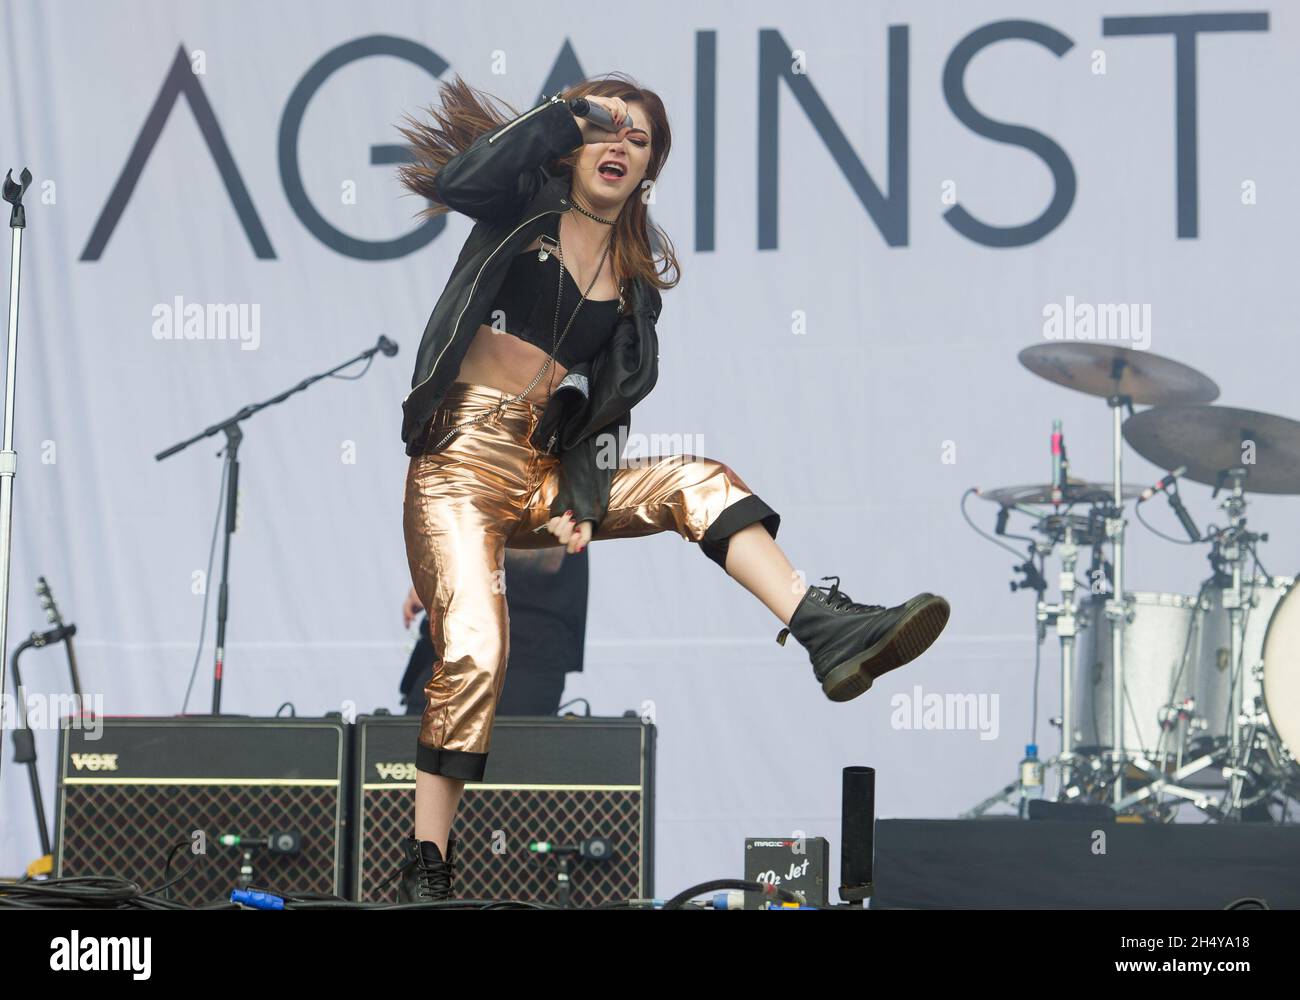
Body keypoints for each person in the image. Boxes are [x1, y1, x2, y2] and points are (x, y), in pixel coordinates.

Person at [390, 73, 951, 902]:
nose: (619, 146)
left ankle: (822, 629)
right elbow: (458, 180)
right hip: (457, 464)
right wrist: (565, 117)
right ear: (575, 142)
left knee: (696, 480)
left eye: (639, 139)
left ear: (651, 169)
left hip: (540, 472)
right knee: (478, 650)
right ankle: (426, 866)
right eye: (605, 130)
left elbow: (605, 411)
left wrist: (581, 499)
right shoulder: (521, 204)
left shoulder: (635, 284)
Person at [398, 546, 588, 717]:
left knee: (511, 750)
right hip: (454, 649)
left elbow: (548, 554)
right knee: (406, 748)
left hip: (526, 655)